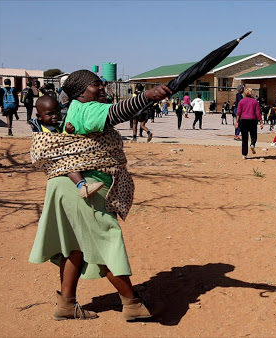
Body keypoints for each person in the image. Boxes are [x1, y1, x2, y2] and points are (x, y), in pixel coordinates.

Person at [29, 69, 172, 321]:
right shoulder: (86, 109)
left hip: (65, 186)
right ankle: (133, 304)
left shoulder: (75, 109)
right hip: (85, 190)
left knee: (74, 248)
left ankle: (66, 304)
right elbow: (116, 113)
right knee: (107, 241)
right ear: (82, 92)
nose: (103, 87)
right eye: (97, 84)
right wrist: (147, 95)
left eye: (102, 83)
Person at [29, 95, 104, 198]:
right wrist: (67, 133)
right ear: (39, 116)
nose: (55, 116)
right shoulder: (44, 130)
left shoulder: (54, 126)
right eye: (49, 114)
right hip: (53, 160)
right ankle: (82, 186)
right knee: (70, 166)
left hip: (57, 155)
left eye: (57, 112)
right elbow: (56, 143)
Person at [235, 87, 263, 159]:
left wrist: (237, 122)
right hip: (252, 120)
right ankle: (252, 144)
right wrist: (261, 122)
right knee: (253, 135)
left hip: (243, 120)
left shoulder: (241, 101)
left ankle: (244, 154)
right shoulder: (255, 102)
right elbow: (258, 113)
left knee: (244, 138)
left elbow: (238, 112)